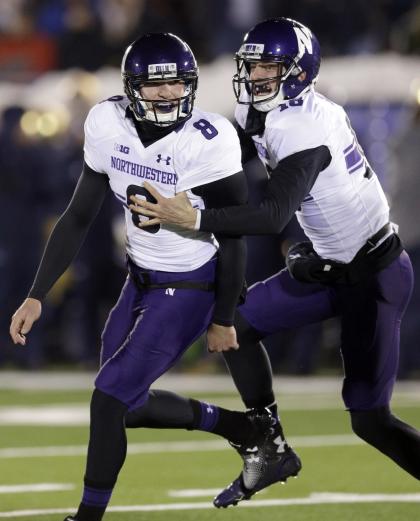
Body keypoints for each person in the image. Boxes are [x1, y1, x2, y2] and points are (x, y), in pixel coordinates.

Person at [9, 33, 301, 521]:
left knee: (106, 401)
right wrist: (36, 295)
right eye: (155, 84)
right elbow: (79, 214)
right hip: (139, 277)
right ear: (130, 88)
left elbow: (233, 235)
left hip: (190, 284)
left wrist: (224, 316)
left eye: (176, 84)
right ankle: (247, 432)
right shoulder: (106, 122)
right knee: (128, 405)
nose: (167, 94)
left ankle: (86, 517)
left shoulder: (208, 139)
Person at [131, 17, 420, 507]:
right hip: (330, 263)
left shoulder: (303, 125)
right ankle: (270, 445)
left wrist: (193, 215)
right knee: (234, 325)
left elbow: (270, 215)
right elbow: (235, 161)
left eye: (269, 64)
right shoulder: (274, 111)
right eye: (252, 63)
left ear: (299, 70)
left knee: (370, 421)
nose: (256, 74)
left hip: (373, 274)